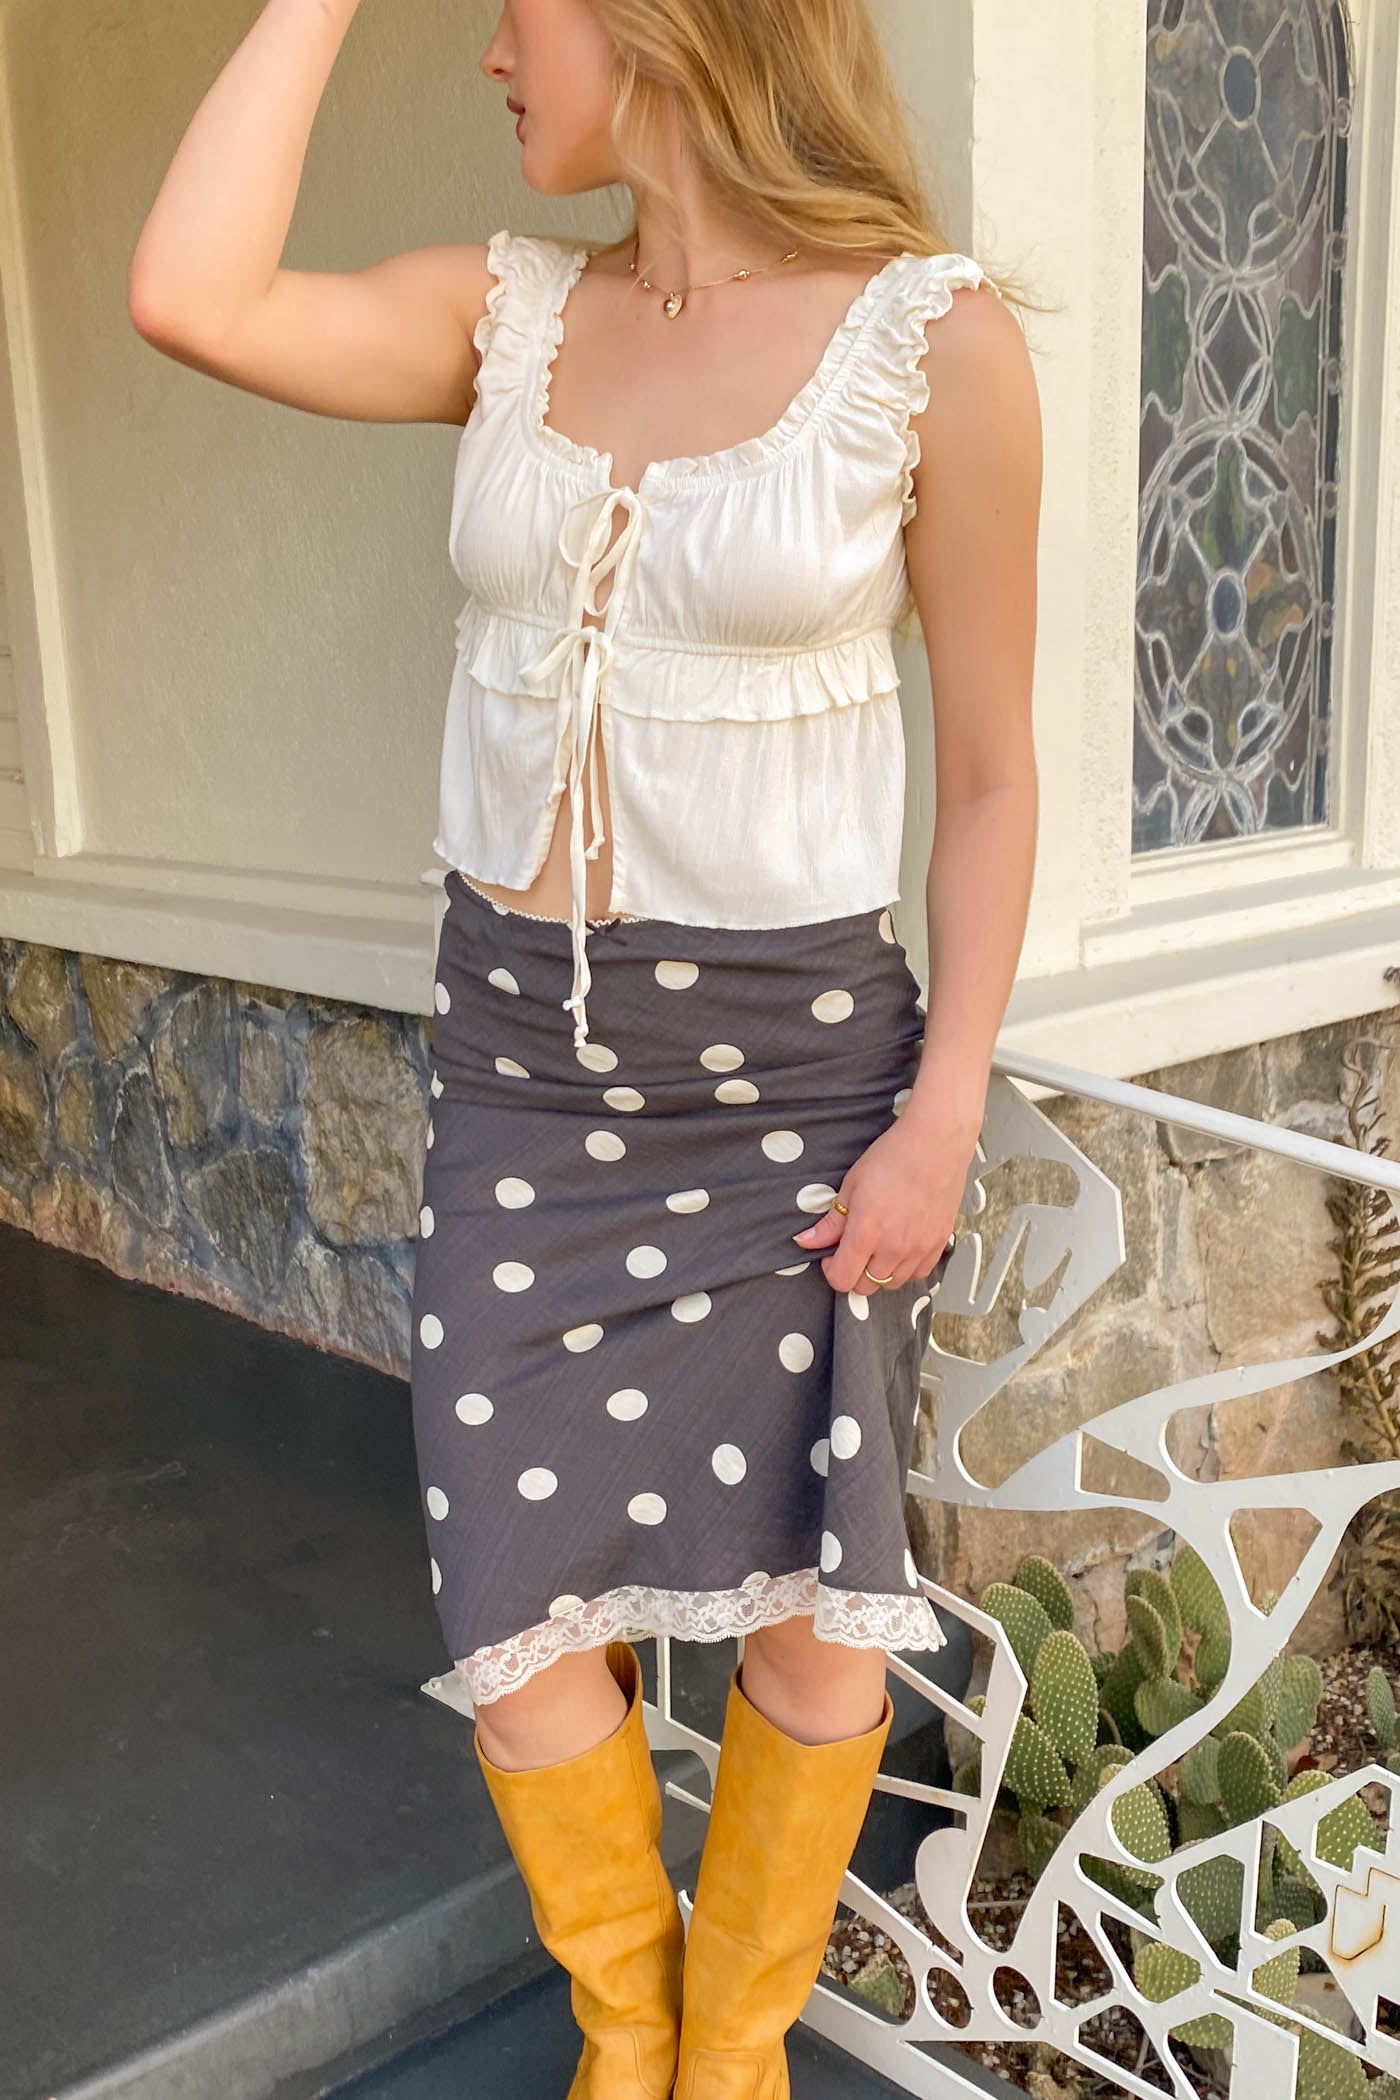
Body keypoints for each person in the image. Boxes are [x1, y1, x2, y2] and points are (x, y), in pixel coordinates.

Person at [128, 0, 1041, 2088]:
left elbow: (987, 780)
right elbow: (187, 291)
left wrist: (943, 1109)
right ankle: (628, 2029)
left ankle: (712, 2064)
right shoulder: (505, 317)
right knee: (520, 1627)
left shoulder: (935, 343)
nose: (485, 56)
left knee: (819, 1622)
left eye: (509, 7)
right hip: (527, 1090)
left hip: (802, 1085)